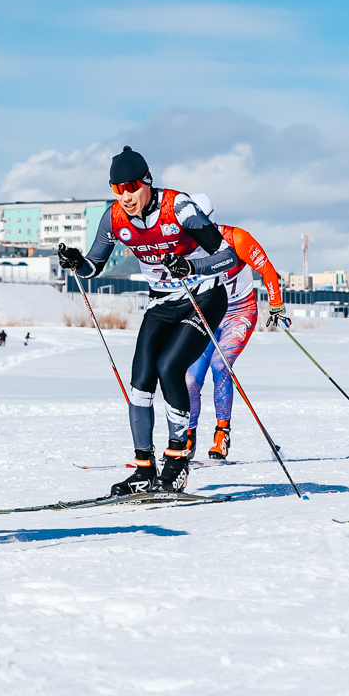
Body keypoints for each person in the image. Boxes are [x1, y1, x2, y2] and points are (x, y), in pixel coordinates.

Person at [59, 146, 237, 494]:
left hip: (204, 296)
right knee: (140, 382)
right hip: (163, 303)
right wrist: (76, 261)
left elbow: (227, 256)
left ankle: (177, 462)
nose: (124, 196)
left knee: (169, 367)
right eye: (117, 188)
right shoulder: (113, 218)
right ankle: (143, 469)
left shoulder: (179, 207)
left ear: (147, 183)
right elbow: (94, 267)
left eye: (131, 186)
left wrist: (192, 266)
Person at [183, 194, 288, 461]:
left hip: (239, 313)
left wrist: (275, 305)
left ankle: (222, 434)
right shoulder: (185, 246)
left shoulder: (236, 239)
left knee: (221, 365)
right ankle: (187, 436)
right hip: (207, 315)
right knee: (190, 378)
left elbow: (267, 270)